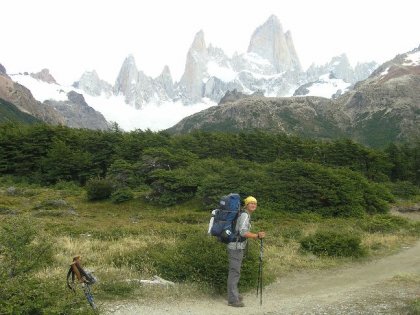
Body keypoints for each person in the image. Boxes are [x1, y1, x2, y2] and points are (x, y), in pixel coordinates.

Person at [227, 196, 266, 307]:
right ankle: (233, 300)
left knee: (235, 271)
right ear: (246, 204)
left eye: (255, 203)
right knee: (234, 272)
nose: (253, 205)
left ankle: (234, 295)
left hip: (237, 246)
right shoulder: (244, 215)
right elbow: (243, 232)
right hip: (235, 247)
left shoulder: (244, 214)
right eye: (251, 203)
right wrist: (257, 235)